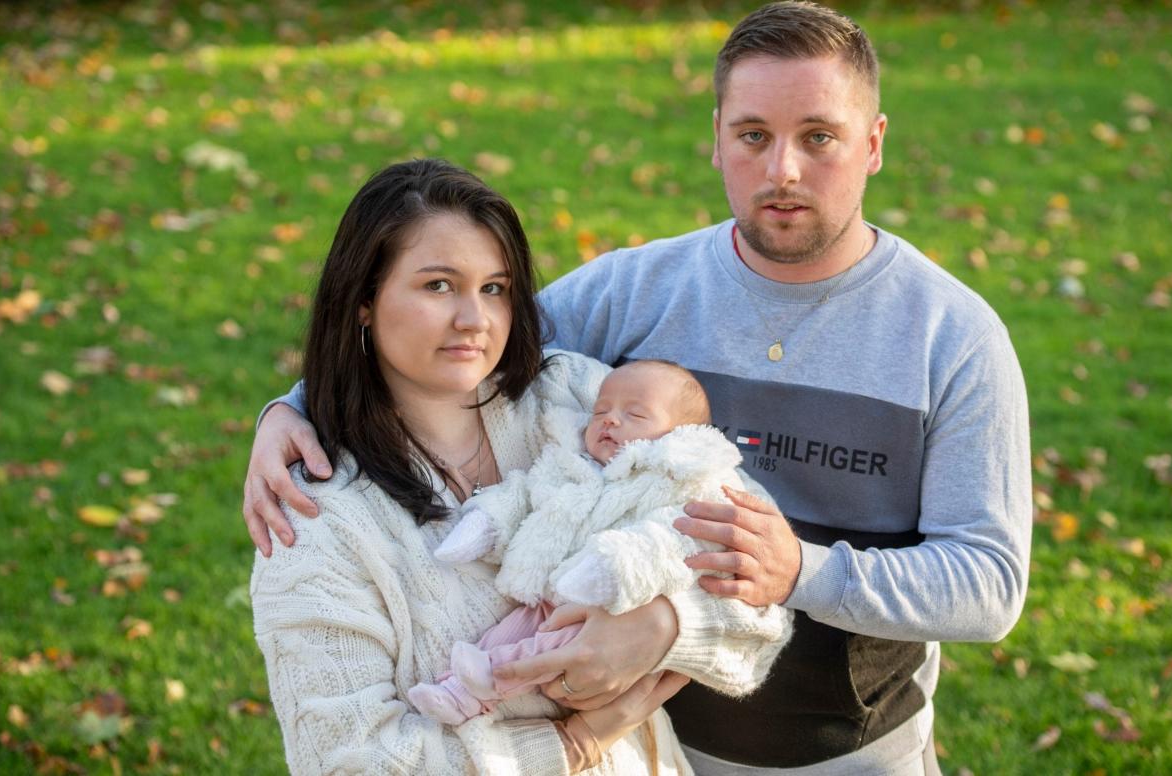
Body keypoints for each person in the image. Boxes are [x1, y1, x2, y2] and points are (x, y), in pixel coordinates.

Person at [245, 2, 1032, 773]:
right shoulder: (634, 292)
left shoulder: (951, 337)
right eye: (752, 135)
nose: (782, 169)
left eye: (818, 137)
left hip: (850, 754)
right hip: (654, 740)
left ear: (873, 143)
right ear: (716, 143)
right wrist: (293, 408)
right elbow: (461, 348)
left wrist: (800, 572)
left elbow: (988, 584)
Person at [249, 158, 791, 775]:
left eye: (494, 288)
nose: (474, 320)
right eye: (437, 286)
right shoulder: (314, 520)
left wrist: (665, 625)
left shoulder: (581, 400)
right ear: (363, 301)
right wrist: (574, 744)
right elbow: (347, 761)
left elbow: (758, 582)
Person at [408, 360, 792, 726]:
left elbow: (671, 536)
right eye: (600, 411)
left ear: (680, 436)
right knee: (505, 632)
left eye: (635, 415)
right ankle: (457, 693)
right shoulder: (572, 463)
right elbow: (525, 494)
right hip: (549, 593)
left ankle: (491, 680)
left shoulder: (677, 481)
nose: (610, 419)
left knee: (547, 648)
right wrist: (487, 523)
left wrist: (612, 567)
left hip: (614, 609)